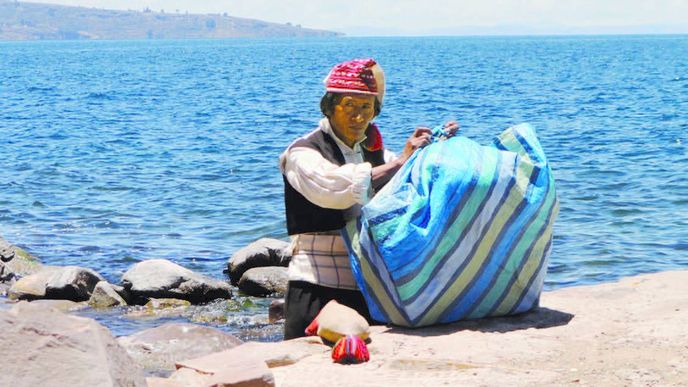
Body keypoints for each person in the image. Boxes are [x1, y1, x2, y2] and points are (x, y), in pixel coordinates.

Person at [279, 58, 458, 339]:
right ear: (329, 107)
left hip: (368, 285)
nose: (358, 116)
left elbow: (402, 185)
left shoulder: (374, 154)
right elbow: (333, 189)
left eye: (366, 107)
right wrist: (400, 162)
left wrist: (429, 153)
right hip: (316, 285)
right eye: (348, 105)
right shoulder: (303, 153)